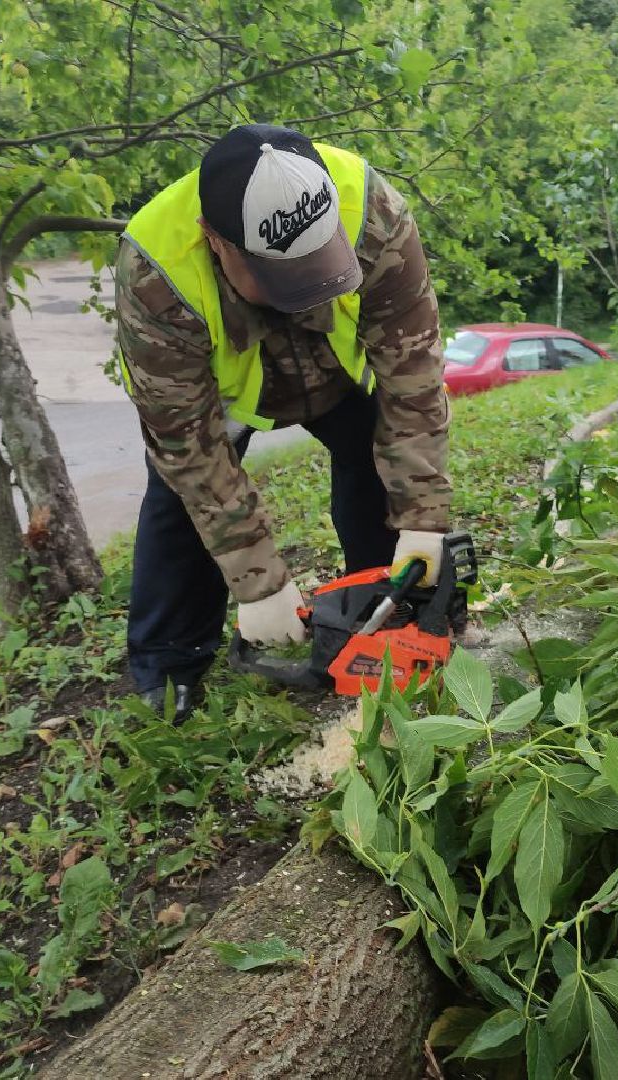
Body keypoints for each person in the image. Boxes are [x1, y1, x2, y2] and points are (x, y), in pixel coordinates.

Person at [113, 124, 451, 714]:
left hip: (335, 372)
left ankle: (380, 614)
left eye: (317, 266)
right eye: (283, 275)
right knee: (178, 501)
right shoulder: (155, 271)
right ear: (214, 241)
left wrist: (422, 516)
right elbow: (189, 449)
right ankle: (168, 665)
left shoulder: (371, 210)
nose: (307, 290)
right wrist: (258, 580)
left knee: (375, 456)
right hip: (220, 394)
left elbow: (413, 372)